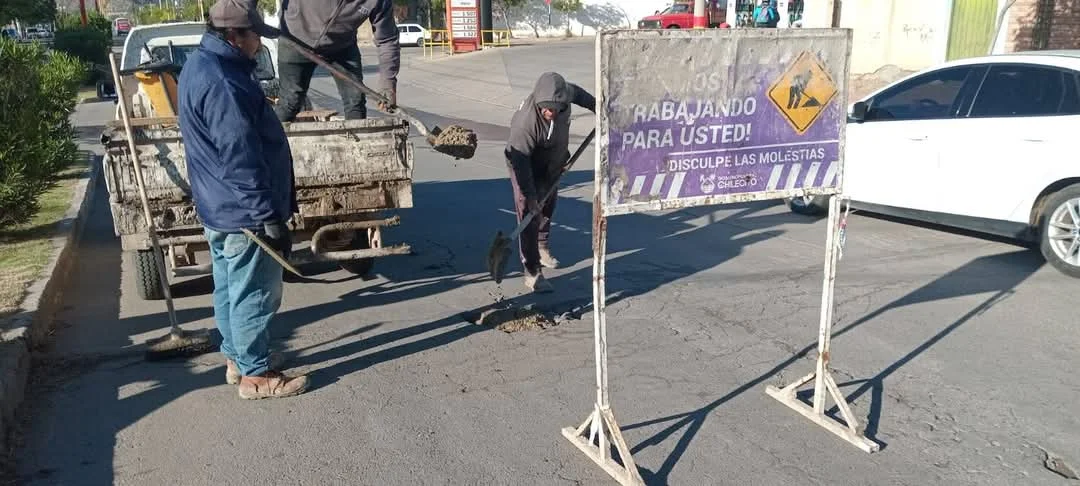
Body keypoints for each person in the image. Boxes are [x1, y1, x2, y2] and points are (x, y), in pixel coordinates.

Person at [177, 0, 308, 399]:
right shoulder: (223, 82)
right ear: (234, 36)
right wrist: (266, 215)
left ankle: (236, 359)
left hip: (220, 206)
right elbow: (240, 156)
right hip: (242, 211)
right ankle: (257, 377)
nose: (259, 46)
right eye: (255, 37)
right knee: (255, 291)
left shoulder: (201, 65)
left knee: (230, 287)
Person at [505, 72, 595, 293]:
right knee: (530, 214)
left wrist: (600, 109)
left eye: (554, 108)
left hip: (553, 163)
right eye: (545, 108)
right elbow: (520, 161)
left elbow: (582, 96)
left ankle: (542, 246)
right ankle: (533, 272)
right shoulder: (525, 124)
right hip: (524, 163)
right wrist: (531, 196)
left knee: (548, 207)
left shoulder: (565, 94)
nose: (549, 112)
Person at [274, 0, 400, 122]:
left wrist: (388, 83)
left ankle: (357, 143)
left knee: (355, 100)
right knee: (291, 101)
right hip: (294, 40)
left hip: (342, 47)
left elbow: (387, 40)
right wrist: (254, 17)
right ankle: (268, 141)